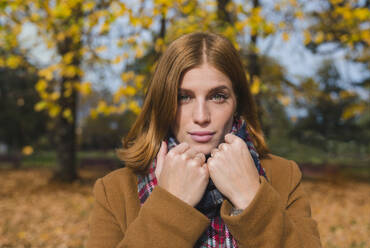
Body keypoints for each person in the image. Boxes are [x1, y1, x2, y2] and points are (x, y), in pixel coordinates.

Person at [87, 32, 322, 247]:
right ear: (163, 103)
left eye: (218, 96)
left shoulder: (284, 176)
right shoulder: (115, 190)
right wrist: (170, 206)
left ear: (237, 104)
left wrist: (251, 199)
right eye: (183, 97)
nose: (201, 116)